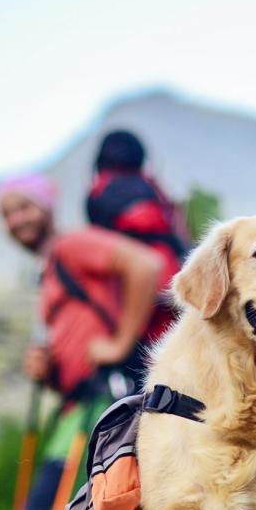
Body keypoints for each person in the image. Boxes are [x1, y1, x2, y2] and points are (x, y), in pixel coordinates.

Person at [0, 172, 163, 510]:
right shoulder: (50, 271)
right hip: (74, 403)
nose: (16, 220)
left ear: (48, 207)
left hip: (95, 407)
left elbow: (144, 266)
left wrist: (118, 342)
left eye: (24, 207)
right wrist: (48, 370)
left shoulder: (72, 248)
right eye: (7, 213)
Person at [87, 129, 189, 347]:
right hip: (172, 285)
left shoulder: (98, 191)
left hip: (132, 290)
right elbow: (179, 239)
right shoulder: (156, 190)